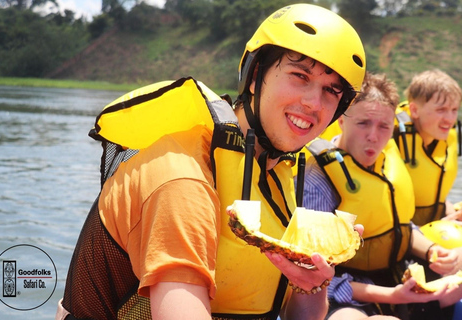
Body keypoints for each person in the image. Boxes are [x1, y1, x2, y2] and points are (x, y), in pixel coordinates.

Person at [56, 4, 367, 320]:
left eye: (331, 91)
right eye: (300, 76)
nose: (314, 103)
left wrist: (310, 287)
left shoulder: (275, 176)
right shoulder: (184, 177)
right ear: (256, 75)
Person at [302, 72, 462, 320]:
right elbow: (313, 275)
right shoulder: (318, 178)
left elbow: (400, 225)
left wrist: (433, 251)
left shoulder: (388, 164)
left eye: (384, 126)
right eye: (364, 123)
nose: (374, 136)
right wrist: (392, 295)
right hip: (344, 292)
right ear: (342, 122)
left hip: (394, 275)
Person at [393, 69, 462, 227]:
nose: (450, 119)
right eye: (441, 110)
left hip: (431, 233)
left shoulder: (444, 140)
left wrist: (453, 214)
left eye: (454, 110)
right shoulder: (391, 138)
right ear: (415, 110)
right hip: (402, 238)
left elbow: (433, 196)